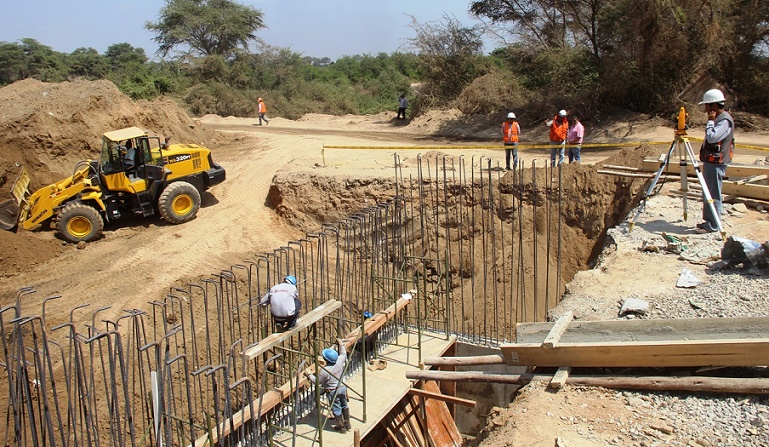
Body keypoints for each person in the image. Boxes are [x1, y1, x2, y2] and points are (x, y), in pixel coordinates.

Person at [696, 88, 734, 234]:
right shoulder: (719, 119)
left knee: (713, 193)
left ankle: (713, 225)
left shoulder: (724, 120)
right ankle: (708, 221)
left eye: (707, 106)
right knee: (708, 192)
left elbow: (712, 137)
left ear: (713, 106)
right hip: (711, 161)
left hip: (717, 163)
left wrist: (710, 122)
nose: (705, 109)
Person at [306, 339, 351, 433]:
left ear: (326, 359)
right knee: (344, 405)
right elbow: (343, 354)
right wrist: (341, 344)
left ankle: (341, 428)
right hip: (342, 387)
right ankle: (348, 424)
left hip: (333, 391)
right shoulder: (339, 361)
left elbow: (317, 381)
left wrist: (309, 375)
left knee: (336, 409)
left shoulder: (325, 371)